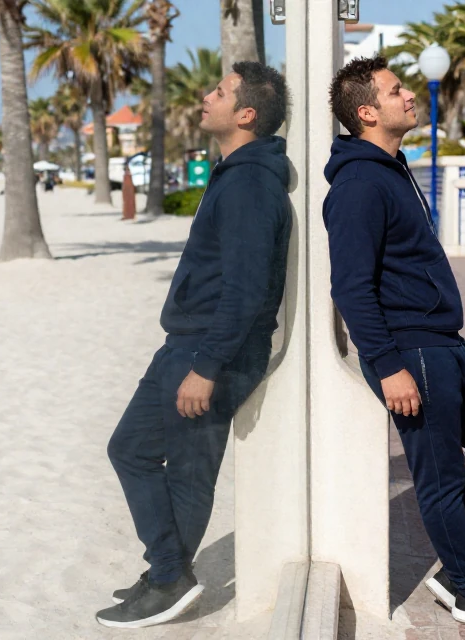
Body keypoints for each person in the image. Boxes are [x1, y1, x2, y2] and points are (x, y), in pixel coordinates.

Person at [322, 55, 465, 629]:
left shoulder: (392, 170)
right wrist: (387, 365)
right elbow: (349, 286)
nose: (409, 96)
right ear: (367, 111)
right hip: (411, 350)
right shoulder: (358, 184)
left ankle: (457, 569)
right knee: (441, 477)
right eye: (396, 91)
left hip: (445, 342)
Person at [97, 61, 292, 629]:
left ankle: (168, 579)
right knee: (129, 448)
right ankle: (166, 567)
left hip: (210, 353)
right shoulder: (235, 173)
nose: (207, 97)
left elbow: (249, 288)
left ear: (246, 114)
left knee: (185, 472)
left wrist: (207, 367)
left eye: (220, 91)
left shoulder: (252, 182)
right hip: (187, 344)